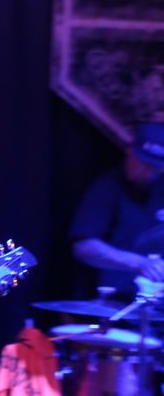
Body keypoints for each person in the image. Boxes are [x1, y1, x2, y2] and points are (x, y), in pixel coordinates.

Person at [70, 123, 164, 299]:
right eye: (143, 163)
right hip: (117, 300)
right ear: (129, 150)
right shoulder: (107, 188)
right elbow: (83, 246)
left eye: (156, 167)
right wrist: (139, 263)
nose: (148, 173)